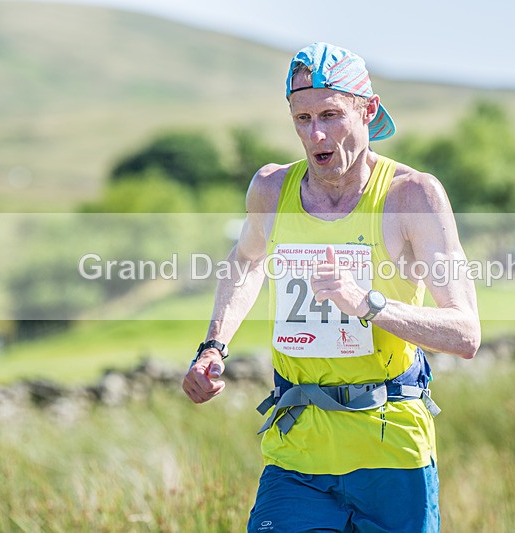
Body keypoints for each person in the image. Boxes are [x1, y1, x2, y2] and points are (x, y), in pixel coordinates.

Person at [182, 42, 480, 533]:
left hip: (392, 454)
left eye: (331, 114)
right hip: (297, 453)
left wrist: (370, 305)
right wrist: (214, 345)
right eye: (302, 118)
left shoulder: (413, 196)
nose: (316, 134)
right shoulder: (271, 189)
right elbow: (246, 262)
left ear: (369, 110)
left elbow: (465, 333)